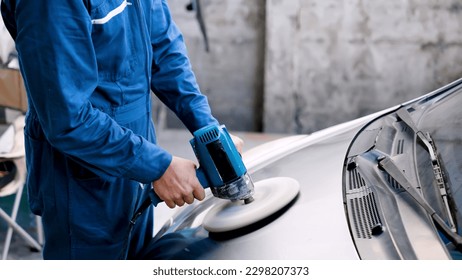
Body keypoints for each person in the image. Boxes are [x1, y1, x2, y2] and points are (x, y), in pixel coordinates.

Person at [1, 0, 242, 259]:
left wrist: (208, 131)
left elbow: (164, 48)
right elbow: (67, 119)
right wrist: (158, 167)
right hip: (81, 179)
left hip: (136, 159)